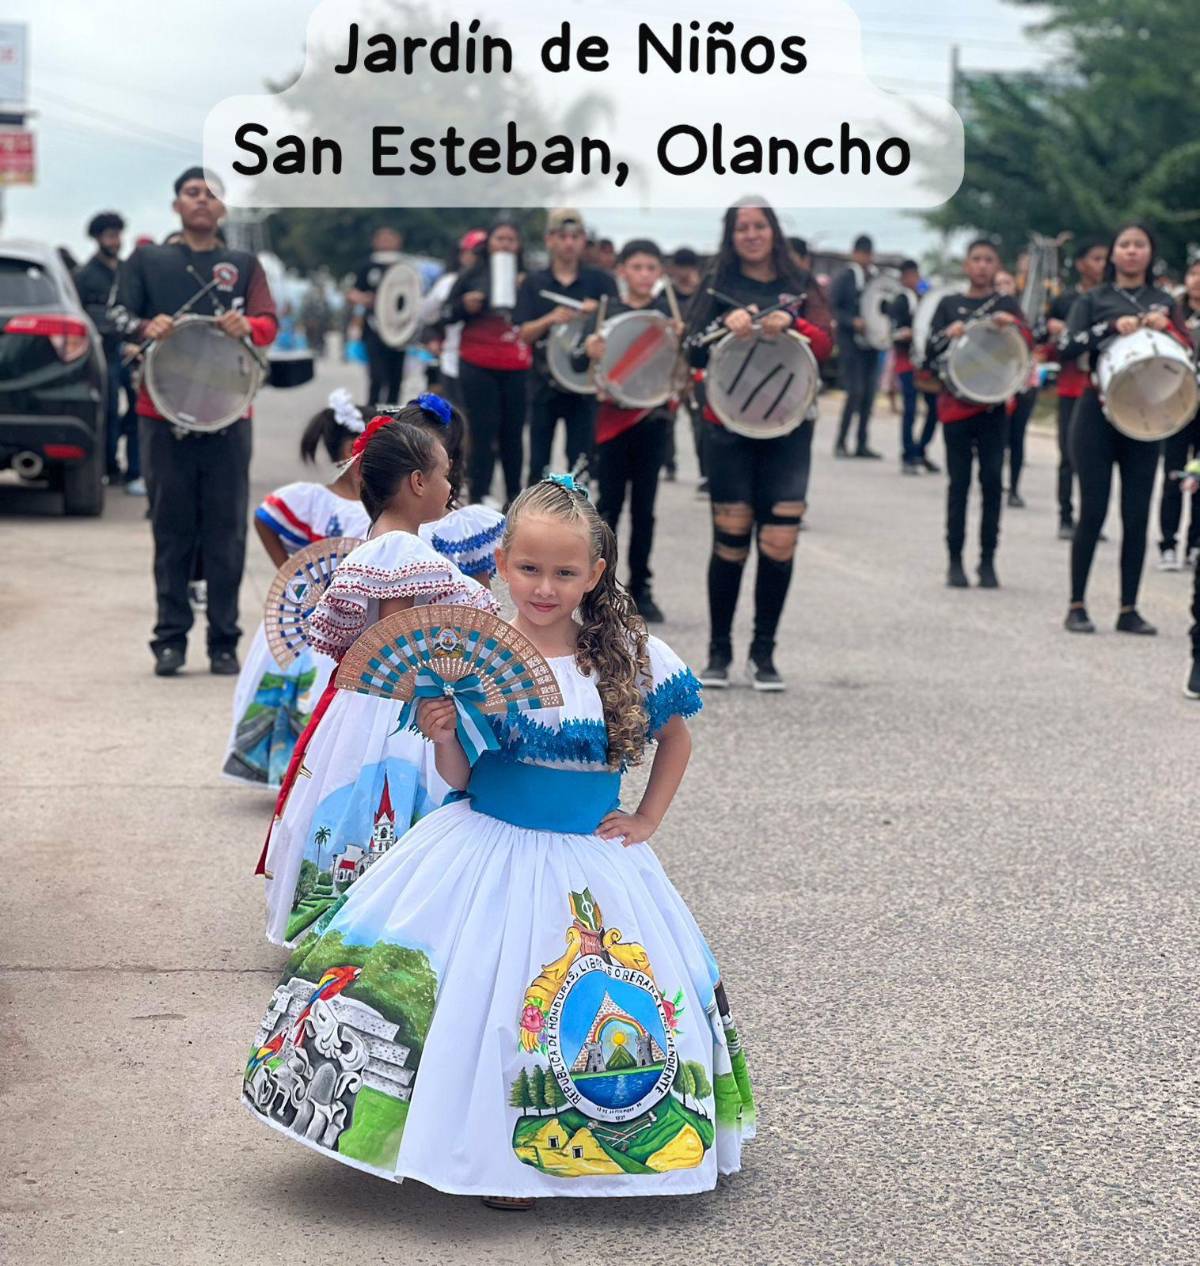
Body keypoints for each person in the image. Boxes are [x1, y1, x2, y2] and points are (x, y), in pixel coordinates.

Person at [239, 474, 753, 1207]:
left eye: (565, 572)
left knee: (570, 1004)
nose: (545, 587)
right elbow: (458, 777)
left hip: (590, 858)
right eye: (530, 569)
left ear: (595, 574)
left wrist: (647, 820)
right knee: (480, 995)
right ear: (502, 564)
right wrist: (444, 733)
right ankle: (471, 1146)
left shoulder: (632, 658)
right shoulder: (477, 655)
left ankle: (570, 1144)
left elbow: (676, 739)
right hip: (483, 843)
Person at [258, 406, 501, 945]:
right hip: (396, 705)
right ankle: (383, 930)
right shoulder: (403, 549)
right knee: (392, 794)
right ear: (418, 483)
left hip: (357, 702)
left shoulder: (377, 543)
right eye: (444, 474)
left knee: (348, 798)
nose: (450, 485)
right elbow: (398, 640)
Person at [109, 167, 277, 677]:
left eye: (212, 194)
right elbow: (115, 315)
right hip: (160, 413)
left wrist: (246, 323)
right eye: (192, 193)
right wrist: (145, 324)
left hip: (228, 413)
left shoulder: (243, 264)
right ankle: (170, 640)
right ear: (176, 204)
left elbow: (270, 325)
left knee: (225, 531)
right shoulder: (148, 260)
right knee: (172, 529)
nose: (202, 201)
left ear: (224, 208)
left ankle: (224, 641)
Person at [685, 198, 834, 690]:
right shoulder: (716, 287)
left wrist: (794, 324)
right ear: (731, 236)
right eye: (741, 227)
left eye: (759, 225)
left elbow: (827, 345)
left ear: (773, 231)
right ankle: (719, 652)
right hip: (727, 429)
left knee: (780, 540)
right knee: (731, 540)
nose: (751, 234)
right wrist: (721, 327)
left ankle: (764, 654)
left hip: (789, 429)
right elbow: (690, 348)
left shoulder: (799, 286)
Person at [222, 390, 373, 788]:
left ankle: (320, 775)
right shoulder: (312, 499)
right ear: (353, 450)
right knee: (297, 688)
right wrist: (291, 570)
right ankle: (287, 773)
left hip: (349, 621)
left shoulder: (378, 512)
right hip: (302, 622)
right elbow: (264, 518)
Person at [1059, 223, 1192, 634]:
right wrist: (1109, 329)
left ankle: (1128, 608)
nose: (1132, 252)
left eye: (1140, 245)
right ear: (1113, 253)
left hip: (1145, 416)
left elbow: (1188, 349)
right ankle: (1077, 604)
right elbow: (1066, 346)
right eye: (1125, 245)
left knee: (1136, 516)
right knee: (1093, 512)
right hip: (1096, 413)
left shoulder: (1165, 301)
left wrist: (1165, 325)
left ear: (1150, 254)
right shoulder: (1092, 299)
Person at [575, 238, 682, 623]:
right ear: (623, 271)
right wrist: (589, 349)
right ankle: (600, 588)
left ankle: (642, 587)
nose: (643, 274)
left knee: (645, 508)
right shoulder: (607, 312)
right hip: (610, 421)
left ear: (659, 275)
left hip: (652, 420)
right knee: (608, 506)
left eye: (651, 268)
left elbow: (682, 368)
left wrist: (681, 342)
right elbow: (574, 359)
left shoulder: (668, 317)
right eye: (636, 267)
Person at [926, 239, 1032, 590]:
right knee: (959, 484)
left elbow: (1028, 345)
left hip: (992, 408)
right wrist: (948, 334)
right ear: (966, 265)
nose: (982, 266)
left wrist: (1012, 326)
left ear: (996, 265)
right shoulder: (948, 304)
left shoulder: (1006, 305)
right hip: (956, 407)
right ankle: (954, 560)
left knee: (991, 482)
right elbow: (928, 352)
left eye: (989, 260)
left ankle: (988, 560)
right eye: (976, 259)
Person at [513, 208, 618, 483]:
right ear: (549, 240)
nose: (569, 243)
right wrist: (549, 319)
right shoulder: (534, 282)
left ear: (583, 240)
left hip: (584, 384)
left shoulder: (601, 281)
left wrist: (598, 313)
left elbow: (618, 329)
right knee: (538, 461)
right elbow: (523, 333)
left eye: (575, 236)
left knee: (581, 461)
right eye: (562, 236)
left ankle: (578, 519)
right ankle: (534, 520)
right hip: (543, 381)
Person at [444, 218, 532, 506]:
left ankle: (513, 494)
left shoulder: (527, 278)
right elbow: (447, 313)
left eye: (511, 240)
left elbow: (538, 317)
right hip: (477, 361)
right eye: (500, 239)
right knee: (482, 430)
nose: (505, 245)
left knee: (513, 433)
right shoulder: (471, 274)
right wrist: (465, 306)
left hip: (515, 362)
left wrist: (525, 292)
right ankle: (480, 492)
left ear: (518, 246)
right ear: (489, 244)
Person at [1045, 238, 1108, 539]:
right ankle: (1065, 516)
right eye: (1095, 258)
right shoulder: (1065, 300)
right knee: (1069, 454)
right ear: (1081, 264)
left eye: (1104, 259)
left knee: (1096, 458)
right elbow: (1046, 343)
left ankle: (1091, 518)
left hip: (1103, 388)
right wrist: (1055, 333)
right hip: (1071, 386)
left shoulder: (1111, 299)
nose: (1101, 265)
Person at [75, 211, 137, 488]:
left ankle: (135, 469)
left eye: (118, 234)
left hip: (132, 353)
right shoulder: (85, 276)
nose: (116, 241)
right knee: (108, 411)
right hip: (104, 354)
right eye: (110, 235)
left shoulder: (127, 272)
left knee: (138, 411)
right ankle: (109, 466)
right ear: (98, 238)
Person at [1157, 258, 1200, 570]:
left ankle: (1195, 543)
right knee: (1173, 475)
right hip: (1176, 403)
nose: (1198, 279)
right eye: (1194, 273)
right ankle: (1168, 543)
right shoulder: (1171, 314)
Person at [420, 229, 485, 413]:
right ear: (463, 254)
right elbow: (426, 314)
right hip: (454, 363)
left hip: (490, 365)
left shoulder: (501, 284)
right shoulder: (448, 282)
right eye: (474, 252)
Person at [831, 234, 883, 459]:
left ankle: (862, 442)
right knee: (855, 392)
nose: (866, 258)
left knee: (869, 394)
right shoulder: (845, 276)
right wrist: (852, 322)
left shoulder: (874, 278)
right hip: (850, 342)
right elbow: (834, 307)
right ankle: (841, 442)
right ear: (856, 253)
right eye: (863, 253)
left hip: (871, 343)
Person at [348, 226, 410, 406]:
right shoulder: (366, 265)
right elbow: (352, 292)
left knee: (396, 379)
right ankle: (372, 417)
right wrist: (364, 298)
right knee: (377, 376)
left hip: (399, 329)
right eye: (382, 238)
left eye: (390, 238)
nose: (386, 242)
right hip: (374, 328)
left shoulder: (404, 266)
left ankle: (391, 420)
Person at [888, 258, 939, 475]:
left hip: (926, 364)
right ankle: (908, 454)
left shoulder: (927, 298)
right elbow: (891, 332)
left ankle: (921, 449)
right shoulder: (900, 301)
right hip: (906, 361)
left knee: (934, 408)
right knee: (910, 408)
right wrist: (906, 334)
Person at [993, 268, 1039, 509]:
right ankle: (994, 483)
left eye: (1007, 282)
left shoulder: (1024, 319)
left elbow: (1032, 342)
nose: (1002, 287)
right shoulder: (985, 319)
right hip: (995, 387)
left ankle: (1014, 487)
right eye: (998, 283)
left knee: (1017, 437)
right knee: (996, 438)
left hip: (1022, 385)